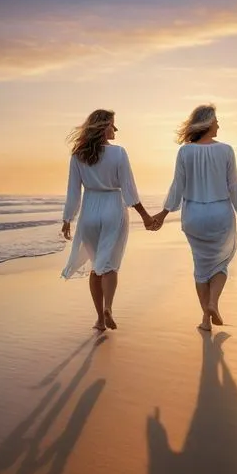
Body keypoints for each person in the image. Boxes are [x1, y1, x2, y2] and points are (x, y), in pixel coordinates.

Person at [152, 104, 237, 331]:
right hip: (220, 214)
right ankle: (213, 303)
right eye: (216, 120)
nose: (219, 124)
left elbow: (178, 186)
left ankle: (205, 320)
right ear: (207, 123)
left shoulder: (185, 152)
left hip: (194, 216)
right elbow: (234, 184)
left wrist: (164, 212)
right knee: (220, 263)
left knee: (200, 266)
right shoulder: (226, 150)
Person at [61, 109, 154, 331]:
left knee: (96, 265)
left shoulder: (78, 155)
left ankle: (100, 320)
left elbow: (73, 193)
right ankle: (109, 308)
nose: (115, 129)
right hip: (114, 207)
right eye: (113, 125)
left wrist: (67, 220)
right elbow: (129, 190)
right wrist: (145, 215)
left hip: (90, 211)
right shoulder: (119, 153)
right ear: (103, 127)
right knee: (110, 265)